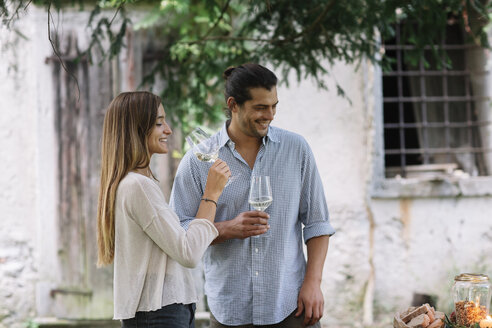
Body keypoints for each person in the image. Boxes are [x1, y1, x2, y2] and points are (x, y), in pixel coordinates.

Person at [170, 64, 335, 327]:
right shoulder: (198, 160)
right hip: (230, 309)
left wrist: (313, 283)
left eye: (274, 106)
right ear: (233, 104)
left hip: (290, 305)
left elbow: (317, 223)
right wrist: (227, 228)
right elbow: (179, 232)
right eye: (260, 107)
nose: (270, 115)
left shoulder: (297, 149)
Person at [96, 91, 231, 327]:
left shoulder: (130, 183)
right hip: (160, 314)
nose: (168, 130)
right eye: (159, 123)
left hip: (160, 311)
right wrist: (211, 194)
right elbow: (188, 252)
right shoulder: (139, 186)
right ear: (136, 129)